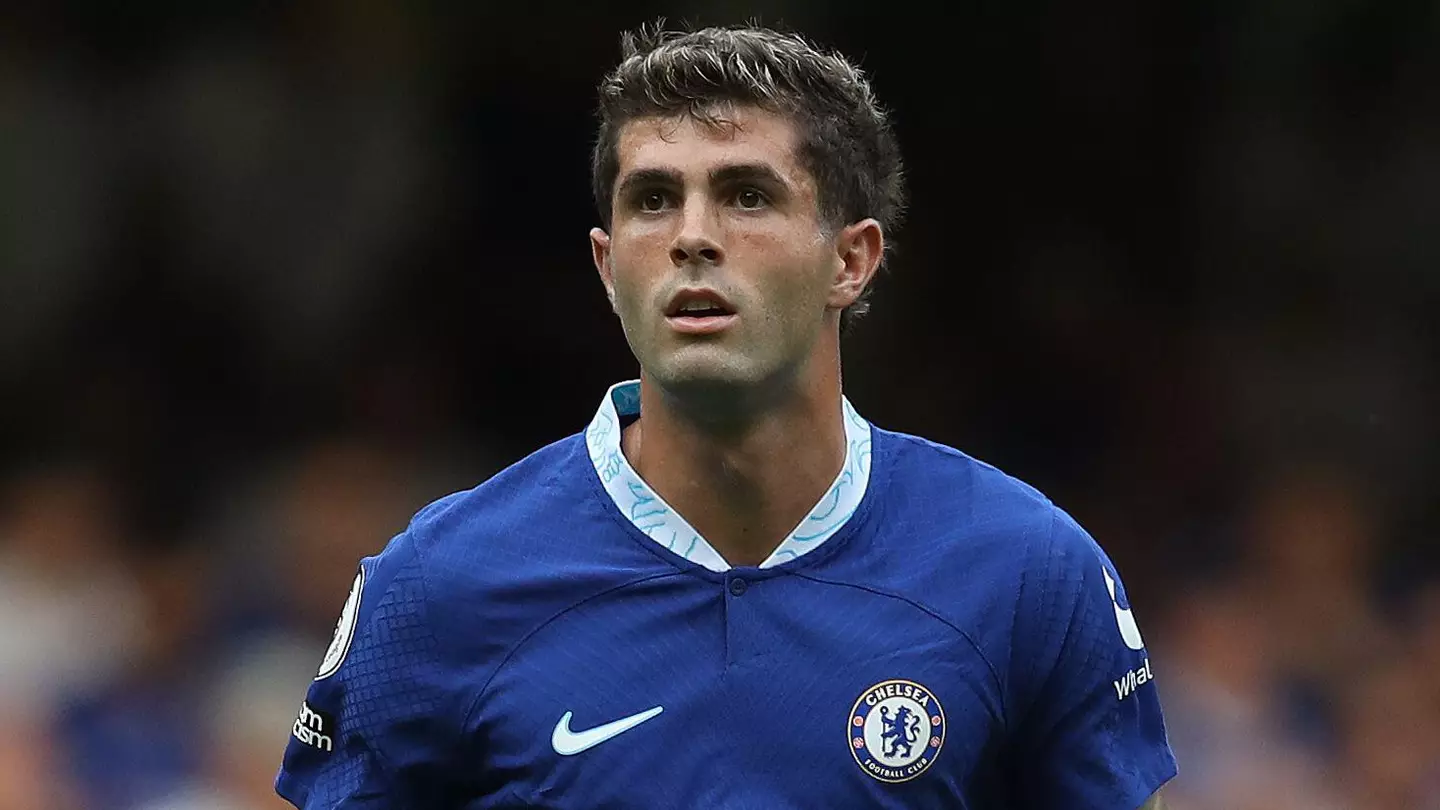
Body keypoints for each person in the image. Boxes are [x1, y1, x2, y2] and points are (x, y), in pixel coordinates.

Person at [276, 22, 1176, 809]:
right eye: (653, 198)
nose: (691, 235)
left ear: (851, 260)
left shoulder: (1026, 571)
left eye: (747, 194)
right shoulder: (439, 585)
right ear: (607, 265)